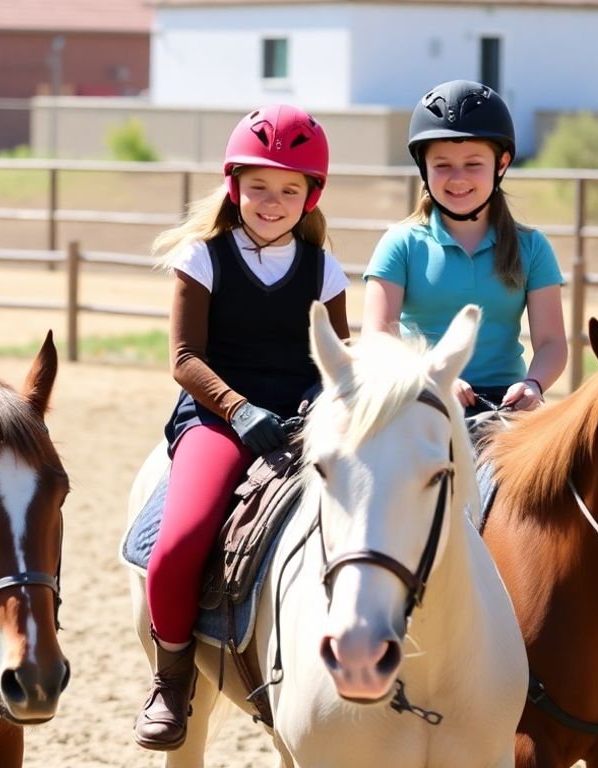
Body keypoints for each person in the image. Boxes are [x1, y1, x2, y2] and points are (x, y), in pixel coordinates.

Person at [134, 104, 350, 751]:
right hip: (218, 418)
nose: (272, 201)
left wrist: (315, 405)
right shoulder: (203, 258)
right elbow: (183, 359)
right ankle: (171, 679)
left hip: (304, 420)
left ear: (311, 195)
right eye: (259, 186)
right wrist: (239, 409)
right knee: (180, 541)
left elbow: (333, 359)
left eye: (289, 189)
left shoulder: (325, 270)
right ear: (234, 187)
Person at [363, 80, 566, 417]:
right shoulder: (400, 244)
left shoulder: (533, 247)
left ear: (501, 165)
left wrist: (534, 383)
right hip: (421, 397)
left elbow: (551, 344)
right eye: (442, 165)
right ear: (424, 169)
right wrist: (429, 372)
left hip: (504, 407)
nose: (457, 178)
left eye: (473, 164)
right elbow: (377, 336)